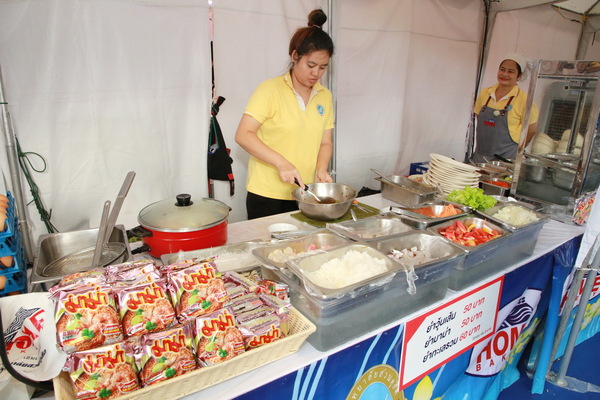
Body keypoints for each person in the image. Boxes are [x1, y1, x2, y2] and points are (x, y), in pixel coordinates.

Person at [235, 9, 335, 219]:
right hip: (267, 194)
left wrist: (322, 169)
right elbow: (244, 135)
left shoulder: (324, 96)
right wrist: (281, 163)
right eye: (311, 65)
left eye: (323, 67)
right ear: (295, 56)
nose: (316, 73)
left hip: (305, 193)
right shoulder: (269, 90)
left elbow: (325, 142)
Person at [471, 53, 539, 163]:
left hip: (505, 160)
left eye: (511, 71)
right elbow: (480, 118)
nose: (504, 74)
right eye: (502, 69)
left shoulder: (525, 100)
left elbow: (531, 130)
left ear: (519, 76)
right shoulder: (485, 93)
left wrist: (519, 148)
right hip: (481, 156)